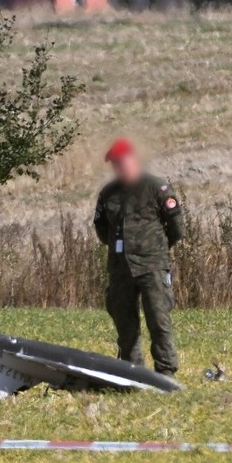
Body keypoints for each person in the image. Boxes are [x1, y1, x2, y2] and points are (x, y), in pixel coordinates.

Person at [92, 139, 186, 377]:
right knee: (125, 324)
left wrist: (158, 249)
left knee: (158, 319)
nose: (119, 168)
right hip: (120, 268)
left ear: (134, 160)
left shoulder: (157, 188)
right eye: (115, 164)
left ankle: (166, 371)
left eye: (122, 162)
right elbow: (101, 228)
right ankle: (132, 372)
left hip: (152, 265)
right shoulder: (108, 194)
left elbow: (177, 227)